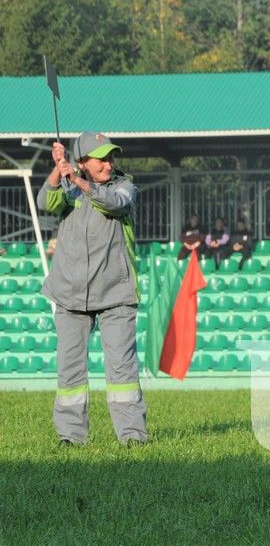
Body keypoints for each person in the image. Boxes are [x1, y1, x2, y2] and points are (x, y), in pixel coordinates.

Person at [36, 132, 147, 447]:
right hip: (70, 295)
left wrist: (81, 182)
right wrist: (59, 169)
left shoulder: (124, 186)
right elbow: (46, 202)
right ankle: (71, 436)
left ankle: (132, 435)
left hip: (116, 295)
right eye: (102, 158)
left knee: (122, 369)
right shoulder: (68, 188)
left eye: (111, 157)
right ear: (83, 161)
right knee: (69, 370)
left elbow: (114, 204)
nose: (109, 163)